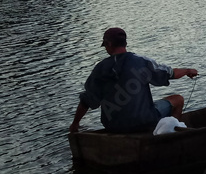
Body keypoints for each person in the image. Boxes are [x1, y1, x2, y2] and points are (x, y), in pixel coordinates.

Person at [69, 27, 198, 134]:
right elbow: (170, 73)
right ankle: (171, 137)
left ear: (108, 44)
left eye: (105, 46)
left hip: (113, 126)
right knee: (178, 99)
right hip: (144, 121)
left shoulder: (100, 68)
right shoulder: (141, 62)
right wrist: (187, 71)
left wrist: (75, 124)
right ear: (125, 43)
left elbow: (86, 101)